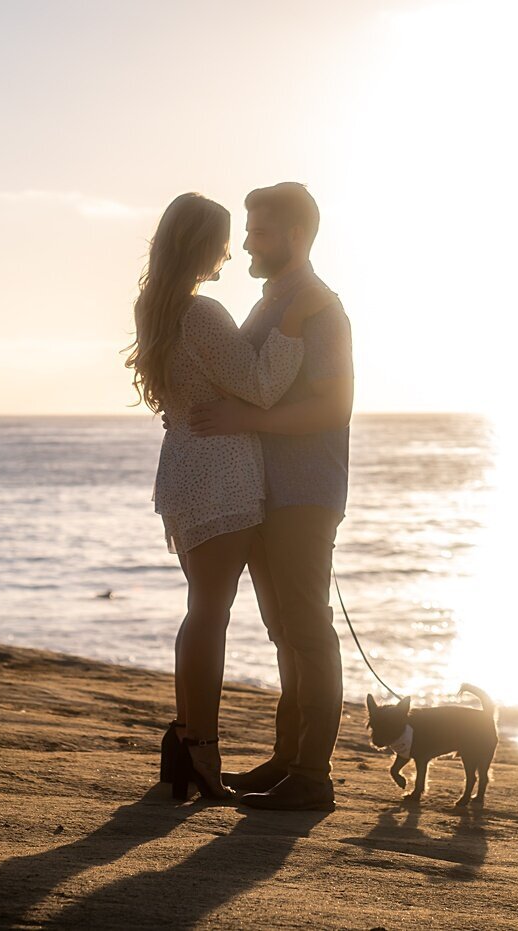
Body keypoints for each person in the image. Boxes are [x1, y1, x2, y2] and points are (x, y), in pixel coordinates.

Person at [125, 192, 335, 801]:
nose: (232, 249)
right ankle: (201, 751)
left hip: (183, 472)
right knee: (210, 615)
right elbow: (264, 387)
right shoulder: (203, 313)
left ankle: (189, 742)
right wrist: (294, 322)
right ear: (201, 245)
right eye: (224, 238)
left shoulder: (157, 307)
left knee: (203, 611)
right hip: (219, 474)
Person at [189, 182, 354, 812]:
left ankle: (314, 777)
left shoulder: (320, 306)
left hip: (305, 492)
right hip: (266, 492)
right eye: (250, 229)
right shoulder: (271, 301)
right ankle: (290, 760)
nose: (249, 241)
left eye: (260, 230)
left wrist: (244, 421)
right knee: (285, 631)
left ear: (298, 235)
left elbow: (334, 406)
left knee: (308, 630)